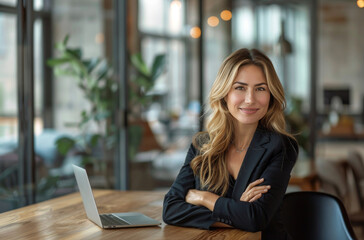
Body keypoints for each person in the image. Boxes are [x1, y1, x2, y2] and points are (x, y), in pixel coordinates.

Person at [162, 48, 298, 239]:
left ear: (271, 95)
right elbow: (171, 209)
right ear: (225, 93)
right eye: (240, 88)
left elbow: (255, 219)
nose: (250, 99)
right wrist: (237, 211)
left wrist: (205, 198)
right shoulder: (202, 145)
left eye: (260, 88)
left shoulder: (281, 147)